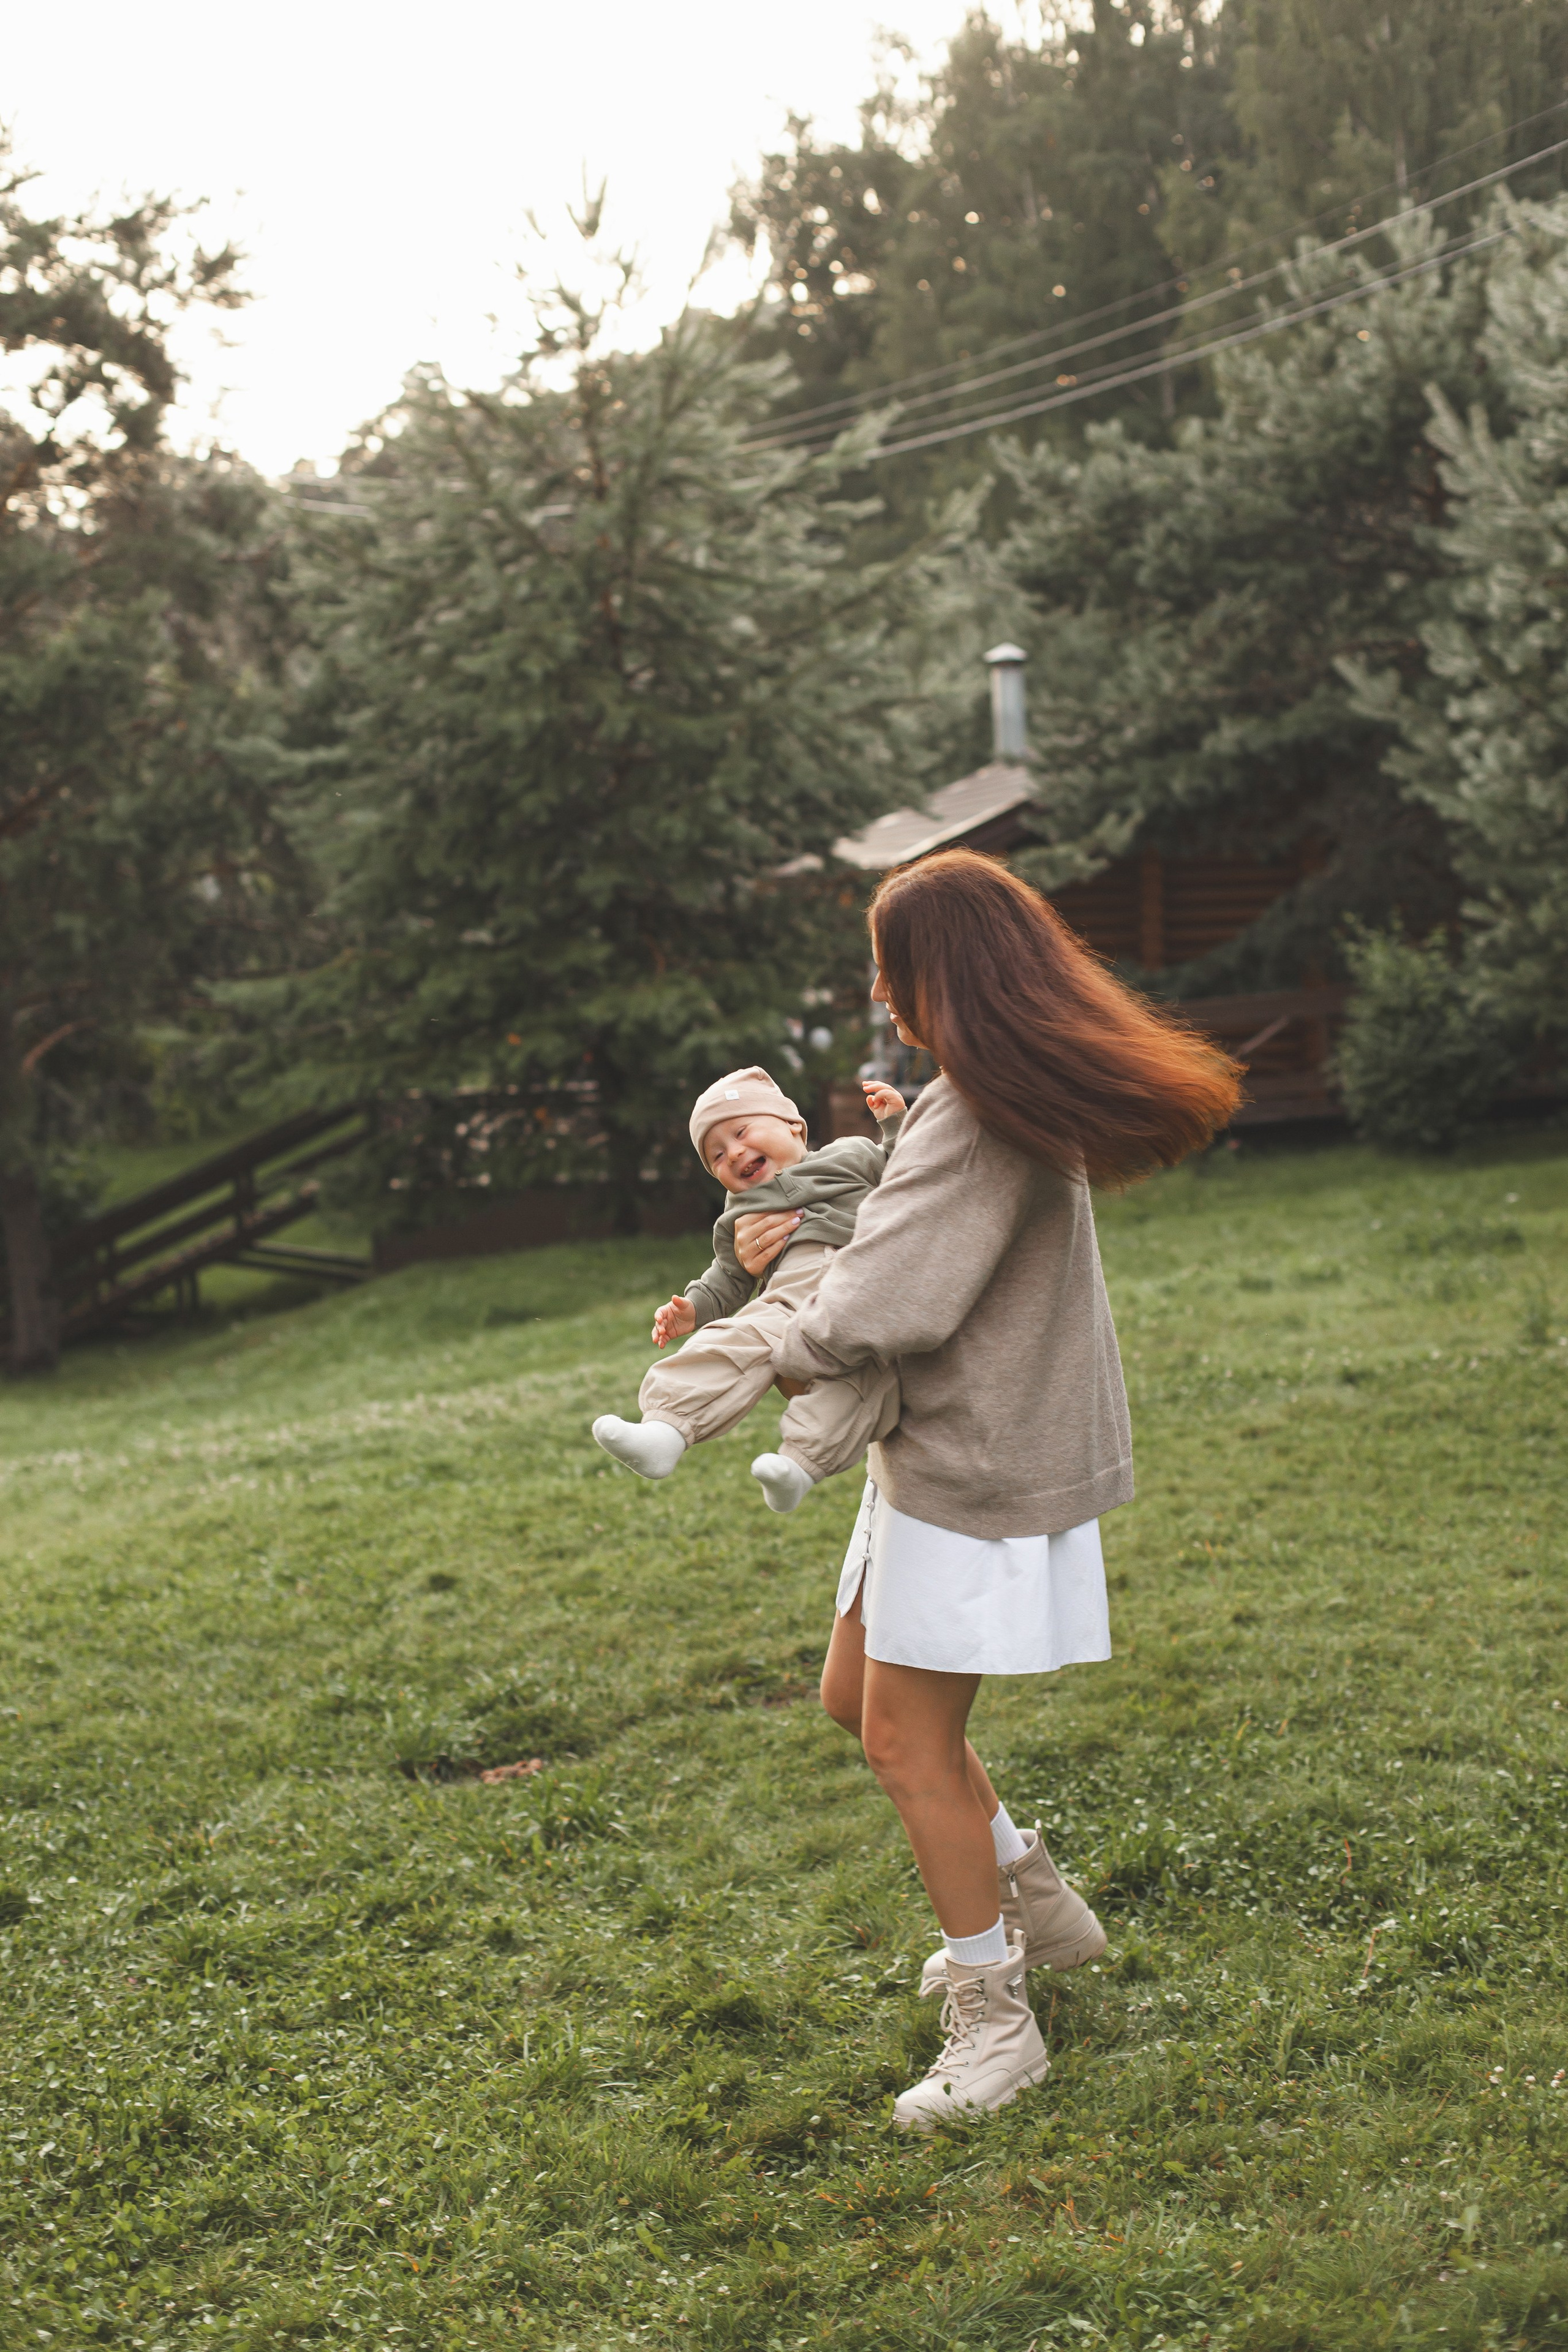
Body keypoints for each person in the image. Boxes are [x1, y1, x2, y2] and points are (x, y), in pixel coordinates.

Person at [736, 849, 1241, 2133]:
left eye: (887, 968)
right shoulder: (981, 1096)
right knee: (852, 1699)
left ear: (939, 973)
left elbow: (893, 1298)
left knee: (906, 1742)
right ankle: (1040, 1907)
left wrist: (760, 1350)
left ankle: (995, 2017)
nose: (878, 991)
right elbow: (910, 1242)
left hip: (972, 1460)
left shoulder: (974, 1112)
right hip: (943, 1448)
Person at [591, 1065, 908, 1513]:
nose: (735, 1153)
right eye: (717, 1156)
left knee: (865, 1389)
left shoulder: (851, 1154)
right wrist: (694, 1308)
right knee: (736, 1341)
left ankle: (800, 1465)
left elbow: (907, 1173)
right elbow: (729, 1276)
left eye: (741, 1132)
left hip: (877, 1300)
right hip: (793, 1306)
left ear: (794, 1126)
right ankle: (669, 1429)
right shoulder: (741, 1212)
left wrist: (895, 1124)